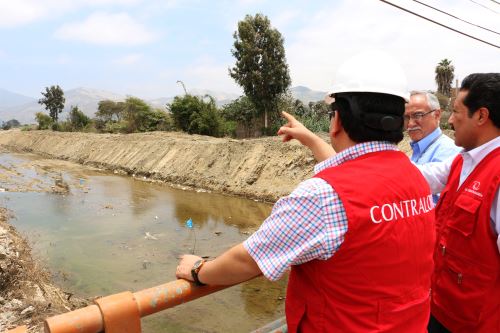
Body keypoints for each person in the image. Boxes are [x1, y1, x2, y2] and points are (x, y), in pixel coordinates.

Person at [175, 50, 436, 333]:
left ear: (337, 121)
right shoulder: (413, 175)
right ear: (400, 120)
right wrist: (310, 139)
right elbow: (356, 175)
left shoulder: (321, 196)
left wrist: (199, 271)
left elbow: (249, 259)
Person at [283, 73, 500, 333]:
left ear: (481, 116)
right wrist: (313, 139)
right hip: (438, 307)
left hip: (475, 321)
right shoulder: (461, 163)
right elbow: (373, 175)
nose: (451, 120)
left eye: (455, 112)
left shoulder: (488, 172)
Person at [405, 91, 460, 203]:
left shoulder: (449, 152)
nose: (410, 124)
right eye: (406, 117)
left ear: (437, 115)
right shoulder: (416, 151)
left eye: (417, 115)